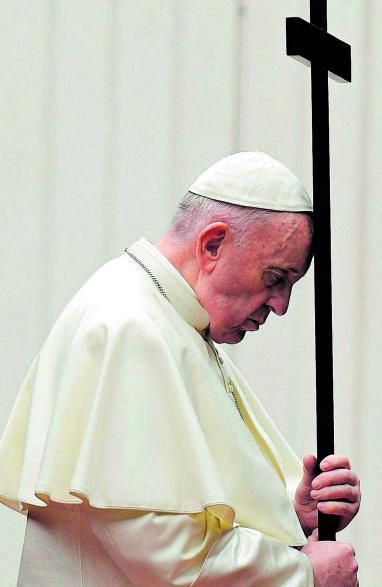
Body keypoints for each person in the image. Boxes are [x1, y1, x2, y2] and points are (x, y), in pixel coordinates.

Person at [0, 152, 360, 586]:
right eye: (275, 278)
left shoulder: (174, 323)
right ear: (212, 245)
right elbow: (165, 553)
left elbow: (187, 509)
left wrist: (290, 515)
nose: (280, 306)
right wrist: (303, 573)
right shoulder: (130, 328)